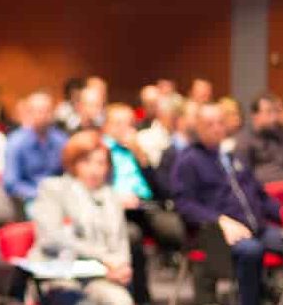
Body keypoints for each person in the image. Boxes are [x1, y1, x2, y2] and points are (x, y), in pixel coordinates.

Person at [172, 103, 283, 305]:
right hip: (216, 234)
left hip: (257, 227)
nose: (216, 128)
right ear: (198, 126)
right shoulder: (188, 160)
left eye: (220, 123)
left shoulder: (233, 156)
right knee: (251, 250)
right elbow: (184, 204)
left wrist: (280, 210)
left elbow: (260, 195)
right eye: (209, 124)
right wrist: (220, 220)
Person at [28, 130, 133, 305]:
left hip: (101, 276)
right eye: (87, 162)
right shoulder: (54, 189)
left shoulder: (111, 197)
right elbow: (51, 238)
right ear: (73, 163)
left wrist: (121, 266)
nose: (94, 170)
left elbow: (121, 241)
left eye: (101, 163)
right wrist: (103, 257)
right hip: (60, 274)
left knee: (121, 301)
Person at [103, 103, 185, 304]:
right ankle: (140, 297)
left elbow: (160, 188)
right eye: (119, 123)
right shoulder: (100, 150)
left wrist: (142, 157)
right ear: (106, 126)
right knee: (132, 237)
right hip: (116, 211)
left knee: (177, 229)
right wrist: (117, 199)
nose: (125, 129)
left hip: (146, 207)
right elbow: (96, 188)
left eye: (129, 123)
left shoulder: (137, 150)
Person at [4, 91, 67, 215]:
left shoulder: (62, 140)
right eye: (38, 111)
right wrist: (40, 194)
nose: (43, 115)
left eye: (47, 110)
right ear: (29, 113)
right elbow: (11, 183)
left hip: (58, 196)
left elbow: (68, 174)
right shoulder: (16, 142)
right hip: (29, 199)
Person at [235, 93, 283, 183]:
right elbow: (243, 177)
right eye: (269, 112)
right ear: (255, 115)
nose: (274, 117)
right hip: (264, 191)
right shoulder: (244, 140)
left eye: (275, 112)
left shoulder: (278, 134)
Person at [137, 97, 180, 168]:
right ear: (159, 114)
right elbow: (155, 165)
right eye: (172, 114)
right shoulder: (144, 137)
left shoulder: (181, 135)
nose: (175, 119)